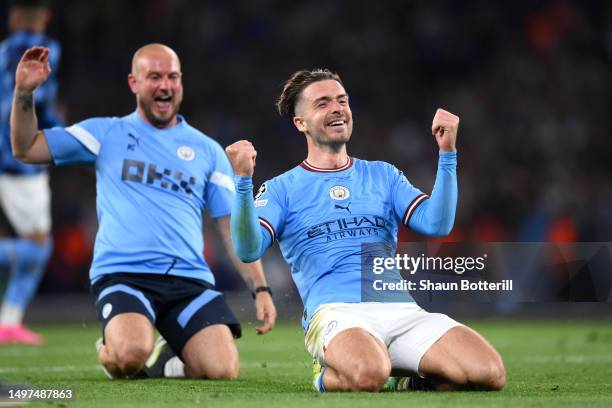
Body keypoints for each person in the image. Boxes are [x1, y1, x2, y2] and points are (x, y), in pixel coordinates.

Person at [226, 69, 506, 392]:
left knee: (488, 373)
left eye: (342, 100)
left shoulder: (382, 175)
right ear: (300, 122)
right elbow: (248, 249)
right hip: (336, 313)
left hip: (400, 310)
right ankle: (327, 370)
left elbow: (437, 224)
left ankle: (402, 380)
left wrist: (447, 153)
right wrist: (243, 182)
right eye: (323, 103)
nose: (337, 108)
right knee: (368, 374)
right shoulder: (281, 189)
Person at [9, 43, 276, 379]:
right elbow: (26, 147)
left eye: (172, 77)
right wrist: (24, 93)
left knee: (222, 370)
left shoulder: (207, 150)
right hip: (124, 276)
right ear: (134, 83)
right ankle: (117, 345)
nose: (165, 85)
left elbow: (231, 228)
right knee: (130, 355)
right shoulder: (106, 133)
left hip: (188, 281)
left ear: (180, 83)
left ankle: (170, 360)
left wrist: (261, 289)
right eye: (154, 77)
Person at [0, 0, 60, 345]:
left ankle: (9, 321)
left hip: (6, 154)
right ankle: (9, 319)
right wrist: (63, 134)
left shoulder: (5, 50)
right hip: (20, 160)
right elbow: (42, 100)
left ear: (12, 17)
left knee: (36, 244)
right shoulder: (48, 50)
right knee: (39, 246)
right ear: (45, 17)